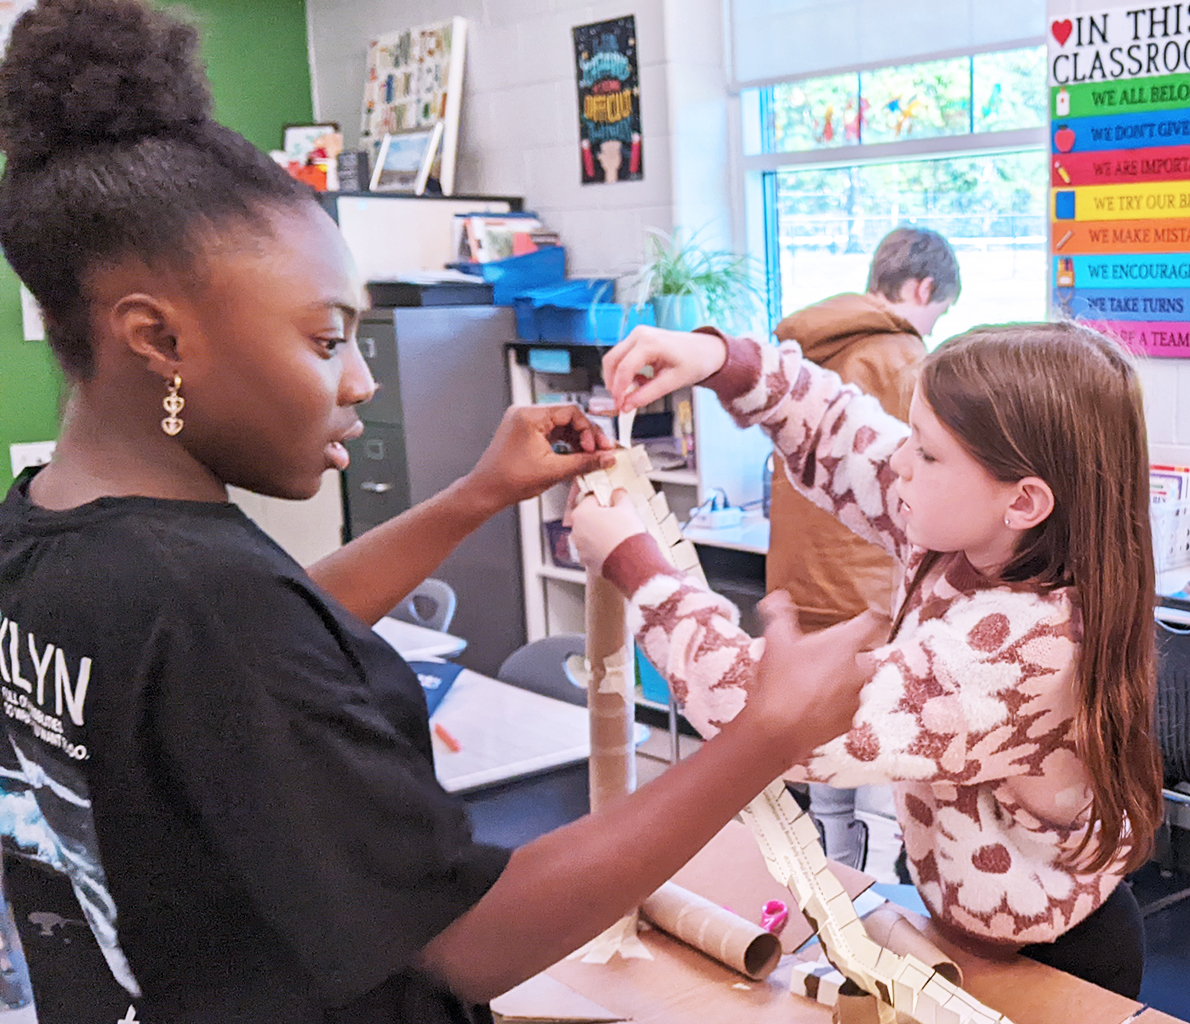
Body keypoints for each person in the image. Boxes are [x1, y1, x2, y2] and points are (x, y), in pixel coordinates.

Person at [0, 2, 880, 1020]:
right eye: (328, 339)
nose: (360, 382)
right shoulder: (209, 601)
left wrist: (475, 496)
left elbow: (261, 652)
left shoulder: (49, 537)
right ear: (157, 339)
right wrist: (764, 737)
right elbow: (465, 941)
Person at [569, 319, 1163, 997]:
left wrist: (634, 565)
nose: (902, 462)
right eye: (912, 437)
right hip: (964, 920)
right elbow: (841, 435)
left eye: (929, 454)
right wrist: (716, 360)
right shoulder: (974, 535)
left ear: (1024, 500)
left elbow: (772, 723)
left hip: (1057, 957)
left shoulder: (1022, 653)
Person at [770, 225, 960, 870]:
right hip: (867, 583)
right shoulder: (900, 358)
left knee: (824, 753)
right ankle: (876, 904)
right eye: (940, 312)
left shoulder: (809, 351)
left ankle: (838, 897)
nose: (933, 327)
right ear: (923, 288)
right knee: (878, 761)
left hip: (800, 578)